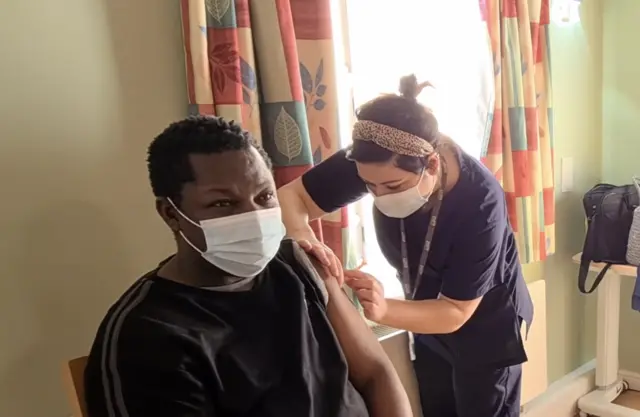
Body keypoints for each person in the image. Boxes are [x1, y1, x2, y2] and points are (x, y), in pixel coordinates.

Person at [83, 116, 412, 417]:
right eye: (223, 203)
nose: (253, 217)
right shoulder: (147, 338)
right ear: (171, 214)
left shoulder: (298, 266)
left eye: (265, 196)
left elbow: (375, 374)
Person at [277, 74, 534, 417]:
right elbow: (291, 199)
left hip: (484, 328)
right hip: (426, 316)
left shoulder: (480, 203)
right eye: (370, 187)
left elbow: (456, 312)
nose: (380, 195)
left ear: (431, 164)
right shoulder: (373, 159)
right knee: (437, 406)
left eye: (393, 185)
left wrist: (384, 311)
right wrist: (313, 250)